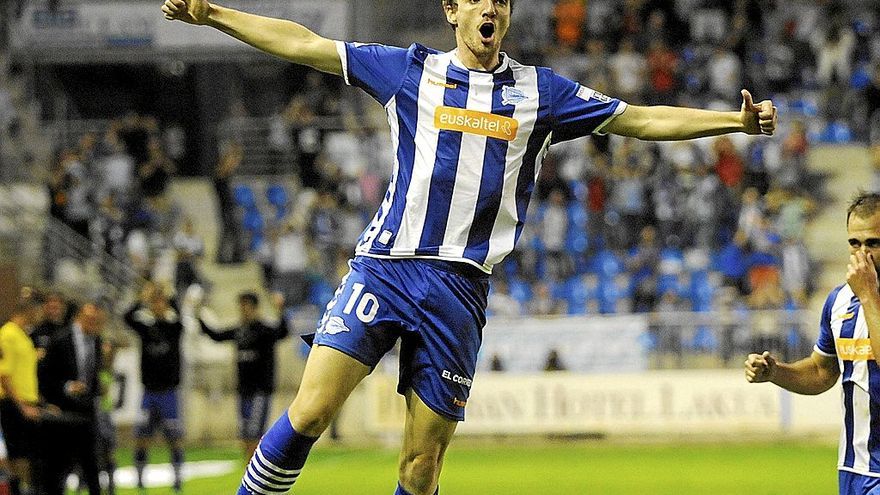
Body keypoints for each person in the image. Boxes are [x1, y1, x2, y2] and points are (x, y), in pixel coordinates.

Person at [161, 1, 777, 494]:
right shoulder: (410, 70)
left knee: (421, 466)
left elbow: (638, 119)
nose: (493, 9)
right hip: (387, 268)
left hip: (460, 289)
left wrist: (733, 122)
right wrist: (214, 13)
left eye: (503, 1)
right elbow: (305, 44)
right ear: (451, 10)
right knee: (312, 412)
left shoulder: (541, 92)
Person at [745, 191, 880, 495]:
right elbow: (822, 372)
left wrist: (870, 296)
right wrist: (775, 372)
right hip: (853, 468)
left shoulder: (866, 297)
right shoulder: (839, 301)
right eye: (854, 243)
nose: (863, 254)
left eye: (873, 243)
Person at [197, 291, 289, 459]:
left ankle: (255, 468)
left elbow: (283, 332)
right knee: (245, 432)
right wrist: (198, 314)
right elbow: (216, 335)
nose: (243, 310)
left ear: (255, 308)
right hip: (244, 389)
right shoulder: (239, 330)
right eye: (241, 306)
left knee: (255, 432)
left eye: (246, 306)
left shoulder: (264, 330)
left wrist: (281, 310)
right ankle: (249, 467)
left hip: (260, 390)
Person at [37, 302, 105, 495]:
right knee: (59, 467)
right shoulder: (60, 340)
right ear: (79, 317)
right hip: (63, 413)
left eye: (97, 320)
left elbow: (93, 375)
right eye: (90, 319)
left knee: (91, 466)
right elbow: (45, 376)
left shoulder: (96, 341)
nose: (94, 323)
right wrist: (66, 387)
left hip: (86, 412)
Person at [123, 282, 185, 493]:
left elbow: (180, 313)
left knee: (174, 438)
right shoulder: (145, 329)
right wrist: (142, 298)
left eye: (162, 303)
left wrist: (168, 293)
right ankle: (140, 478)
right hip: (149, 392)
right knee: (142, 437)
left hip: (169, 392)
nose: (158, 306)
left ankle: (177, 478)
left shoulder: (174, 328)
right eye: (155, 303)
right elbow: (127, 317)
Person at [0, 294, 43, 495]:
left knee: (27, 453)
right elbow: (4, 375)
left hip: (27, 401)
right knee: (19, 455)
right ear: (29, 310)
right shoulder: (8, 334)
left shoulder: (22, 335)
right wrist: (22, 405)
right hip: (14, 403)